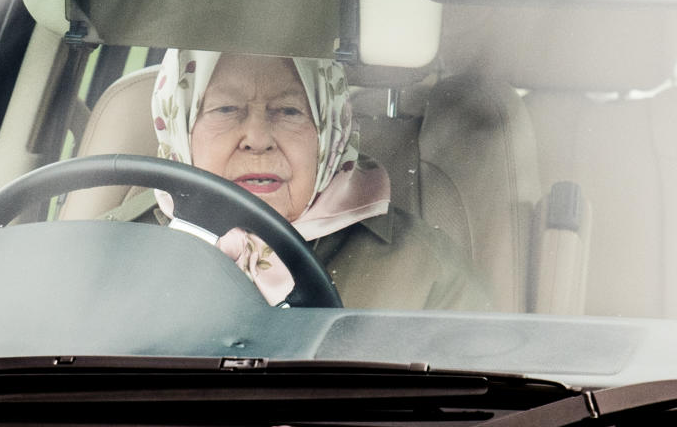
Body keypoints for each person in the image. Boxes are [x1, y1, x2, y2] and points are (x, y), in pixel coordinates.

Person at [150, 49, 490, 310]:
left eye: (288, 111)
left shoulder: (425, 266)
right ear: (180, 130)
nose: (257, 137)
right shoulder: (119, 239)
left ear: (329, 133)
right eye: (225, 109)